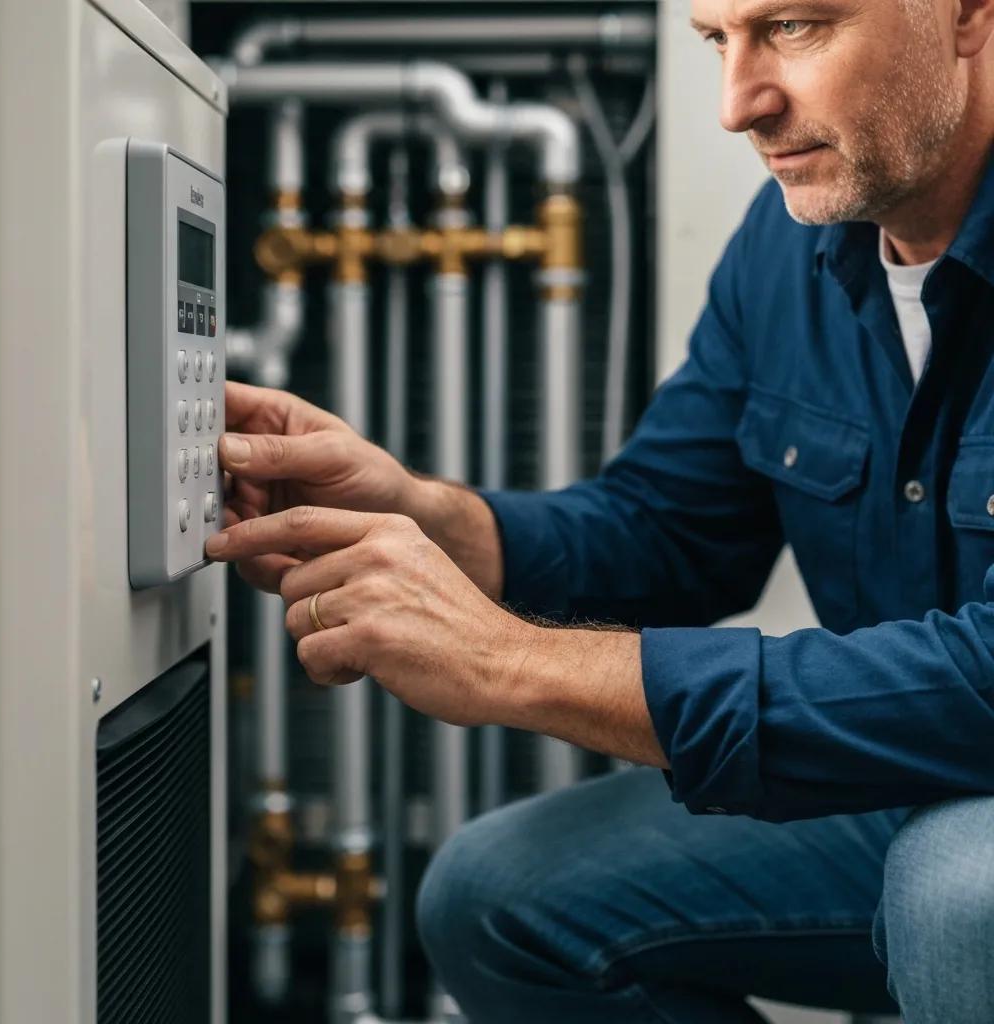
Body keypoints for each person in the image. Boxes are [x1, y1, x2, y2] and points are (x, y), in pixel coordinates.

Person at [204, 0, 994, 1019]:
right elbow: (668, 530)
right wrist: (421, 513)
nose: (737, 104)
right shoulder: (786, 242)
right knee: (497, 897)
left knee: (960, 893)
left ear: (966, 13)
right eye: (718, 40)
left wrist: (511, 663)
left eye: (794, 27)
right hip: (896, 772)